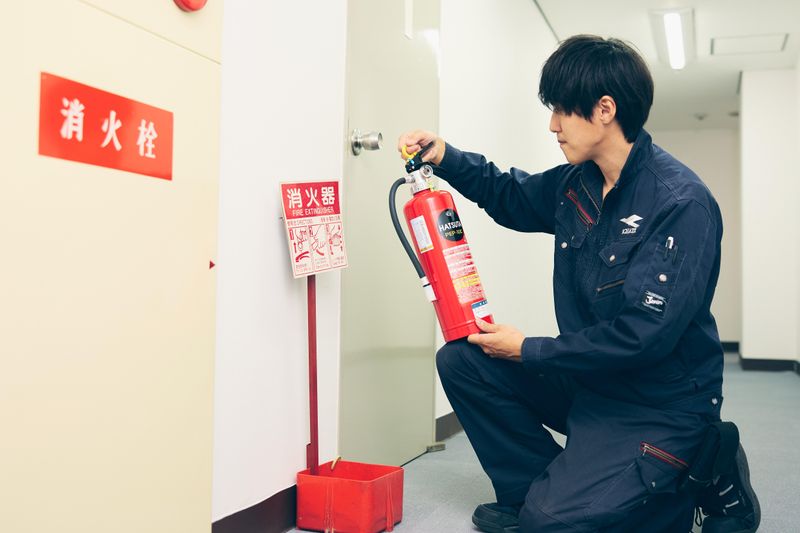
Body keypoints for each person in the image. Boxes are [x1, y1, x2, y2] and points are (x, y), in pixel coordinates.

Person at [398, 35, 760, 533]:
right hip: (594, 383)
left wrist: (530, 349)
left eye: (562, 110)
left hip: (659, 404)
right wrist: (445, 156)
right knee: (463, 360)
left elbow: (643, 336)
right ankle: (529, 492)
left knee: (552, 522)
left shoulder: (680, 203)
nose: (553, 125)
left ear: (605, 109)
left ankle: (703, 471)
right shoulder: (579, 182)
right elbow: (510, 195)